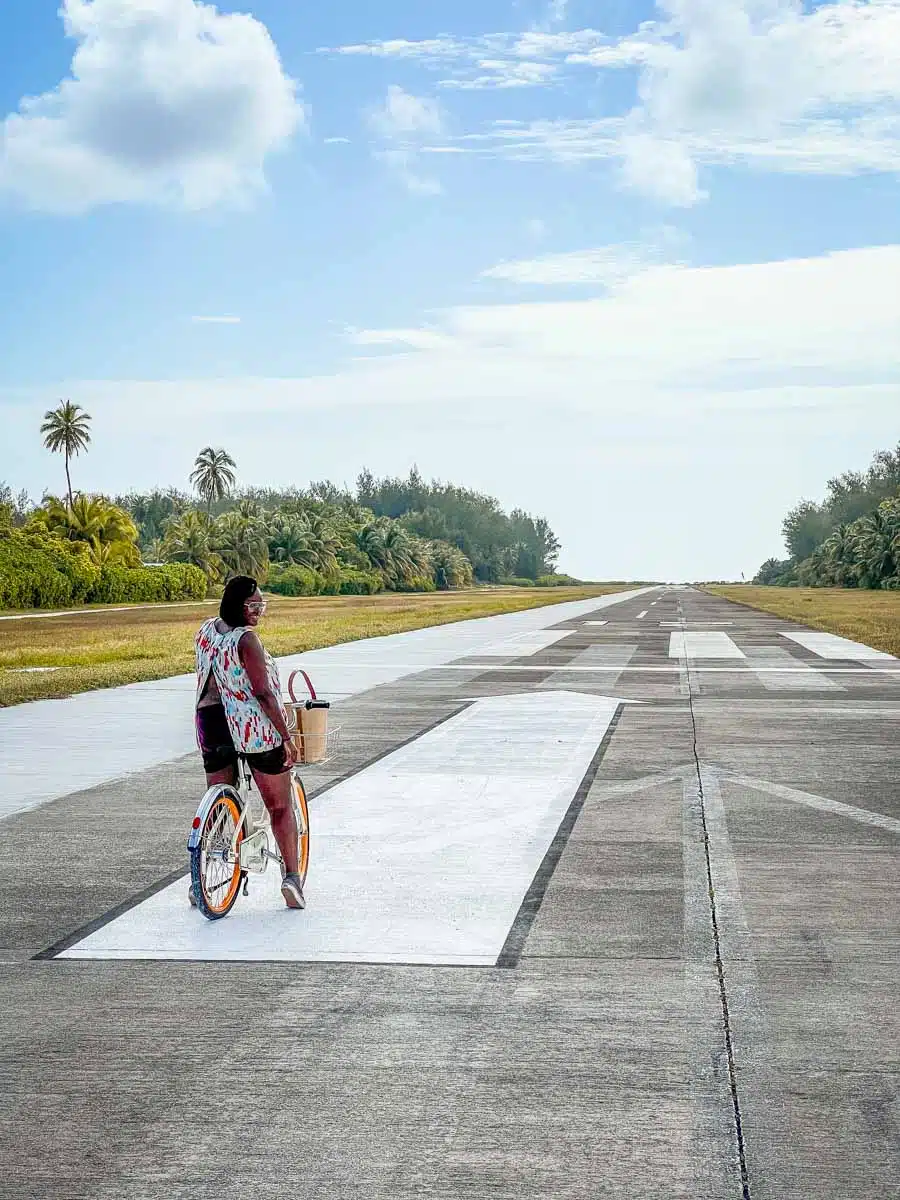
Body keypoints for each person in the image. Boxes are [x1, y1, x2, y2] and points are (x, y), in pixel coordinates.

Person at [193, 575, 305, 910]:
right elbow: (263, 694)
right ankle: (292, 878)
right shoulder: (247, 640)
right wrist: (286, 737)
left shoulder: (207, 631)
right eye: (253, 605)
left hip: (210, 723)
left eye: (260, 605)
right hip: (252, 729)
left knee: (220, 803)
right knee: (280, 806)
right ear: (238, 606)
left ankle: (200, 878)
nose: (258, 611)